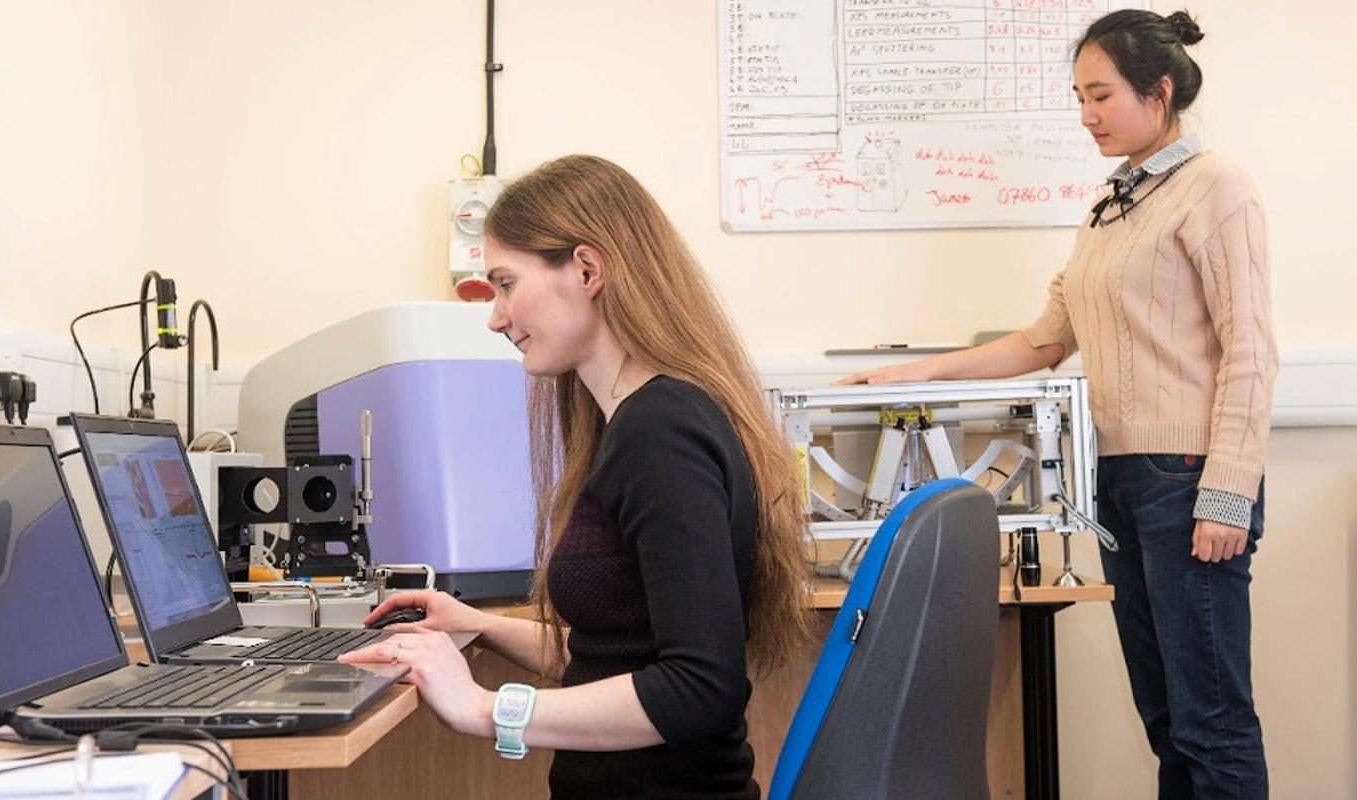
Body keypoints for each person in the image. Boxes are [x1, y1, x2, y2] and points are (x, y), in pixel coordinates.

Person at [840, 10, 1274, 799]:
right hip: (1117, 481)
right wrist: (917, 377)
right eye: (1079, 96)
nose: (1086, 116)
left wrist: (1227, 491)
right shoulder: (1112, 206)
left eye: (1101, 95)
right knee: (1168, 720)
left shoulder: (1215, 186)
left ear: (1161, 90)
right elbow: (1044, 339)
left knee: (1212, 722)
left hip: (1189, 482)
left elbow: (1251, 348)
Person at [340, 154, 813, 799]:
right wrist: (476, 624)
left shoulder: (660, 433)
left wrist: (483, 708)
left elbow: (699, 688)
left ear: (588, 270)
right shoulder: (639, 423)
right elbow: (618, 660)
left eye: (506, 284)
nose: (496, 317)